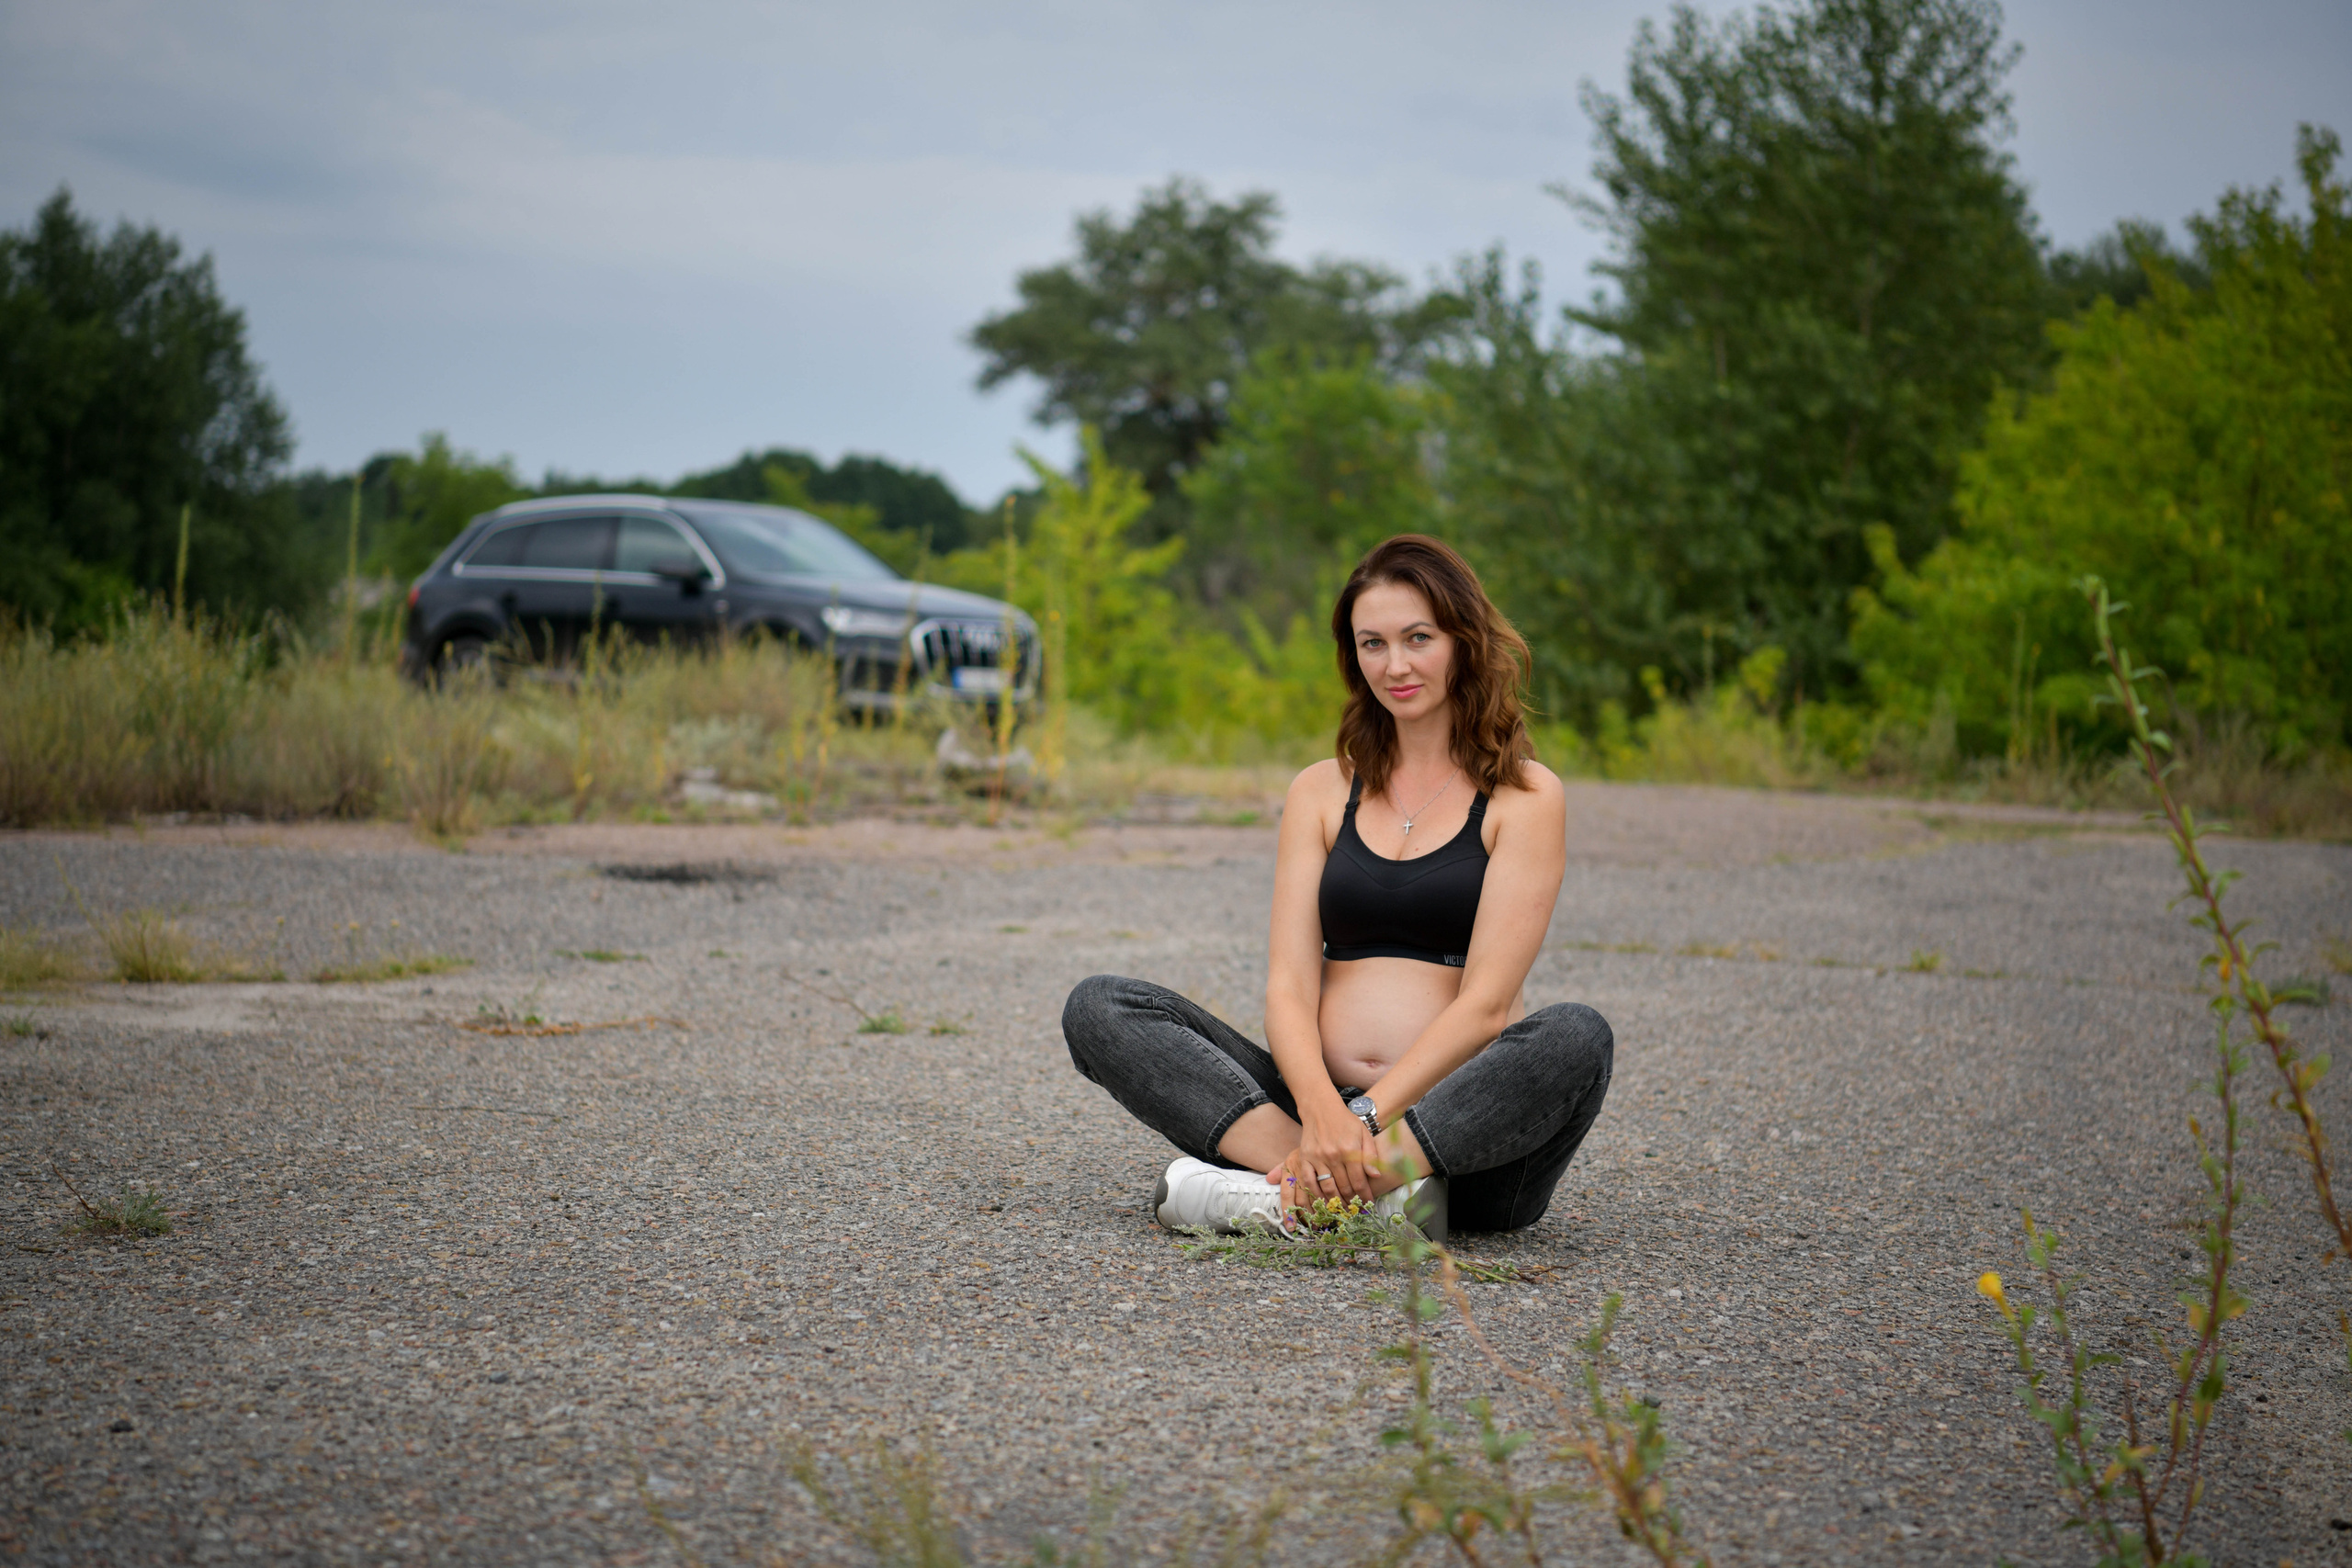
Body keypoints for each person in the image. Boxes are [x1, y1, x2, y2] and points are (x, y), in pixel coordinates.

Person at [1061, 536, 1613, 1241]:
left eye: (1419, 638)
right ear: (1352, 656)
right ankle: (1350, 1190)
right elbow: (1289, 987)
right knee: (1102, 1007)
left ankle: (1318, 1189)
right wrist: (1323, 1110)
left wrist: (1364, 1118)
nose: (1397, 664)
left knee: (1577, 1035)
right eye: (1372, 643)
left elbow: (1486, 1008)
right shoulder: (1321, 790)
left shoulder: (1526, 795)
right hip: (1310, 1112)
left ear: (1463, 641)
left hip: (1461, 1136)